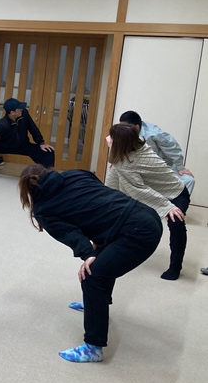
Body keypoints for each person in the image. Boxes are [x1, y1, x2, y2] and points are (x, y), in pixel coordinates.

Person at [19, 164, 161, 363]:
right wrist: (96, 246)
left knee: (92, 276)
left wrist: (88, 254)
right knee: (102, 259)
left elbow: (71, 234)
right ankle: (96, 304)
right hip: (145, 214)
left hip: (138, 232)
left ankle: (93, 348)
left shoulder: (43, 208)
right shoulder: (75, 173)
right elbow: (98, 196)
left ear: (27, 191)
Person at [105, 123, 190, 281]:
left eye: (111, 137)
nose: (107, 139)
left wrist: (167, 207)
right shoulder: (130, 153)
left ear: (120, 143)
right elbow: (114, 181)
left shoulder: (130, 160)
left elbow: (139, 190)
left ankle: (175, 267)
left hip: (176, 192)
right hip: (157, 191)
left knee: (176, 222)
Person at [119, 110, 195, 195]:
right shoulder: (122, 133)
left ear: (136, 127)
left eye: (125, 127)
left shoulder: (154, 133)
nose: (122, 130)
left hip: (161, 168)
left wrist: (181, 168)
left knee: (189, 180)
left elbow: (172, 149)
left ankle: (175, 203)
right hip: (138, 169)